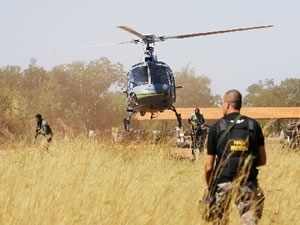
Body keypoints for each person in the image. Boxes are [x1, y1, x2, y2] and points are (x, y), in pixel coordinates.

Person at [204, 89, 266, 224]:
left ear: (226, 104)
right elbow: (262, 160)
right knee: (249, 221)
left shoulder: (216, 128)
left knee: (219, 220)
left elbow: (209, 167)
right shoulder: (253, 126)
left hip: (222, 183)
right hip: (247, 182)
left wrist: (209, 187)